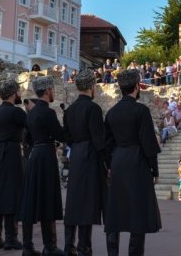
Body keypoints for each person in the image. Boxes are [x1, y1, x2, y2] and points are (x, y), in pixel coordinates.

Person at [104, 69, 162, 256]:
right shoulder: (141, 111)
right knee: (138, 211)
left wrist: (109, 165)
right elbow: (148, 142)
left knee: (115, 210)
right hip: (137, 162)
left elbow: (107, 143)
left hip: (118, 162)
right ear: (137, 87)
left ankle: (112, 253)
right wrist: (154, 169)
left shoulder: (112, 112)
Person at [20, 76, 66, 256]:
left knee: (30, 198)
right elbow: (61, 135)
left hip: (34, 156)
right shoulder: (48, 113)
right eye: (52, 89)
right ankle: (50, 246)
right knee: (48, 198)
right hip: (46, 156)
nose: (53, 92)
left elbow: (28, 138)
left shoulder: (31, 113)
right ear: (47, 91)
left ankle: (27, 247)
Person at [63, 70, 107, 256]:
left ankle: (68, 245)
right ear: (91, 86)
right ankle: (84, 247)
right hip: (90, 156)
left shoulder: (70, 110)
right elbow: (99, 139)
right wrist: (106, 161)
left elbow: (67, 137)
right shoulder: (93, 109)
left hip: (76, 156)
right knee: (88, 202)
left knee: (73, 201)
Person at [0, 80, 26, 251]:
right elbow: (29, 127)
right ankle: (11, 237)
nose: (19, 94)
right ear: (12, 94)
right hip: (11, 153)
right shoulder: (16, 113)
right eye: (18, 91)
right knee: (12, 193)